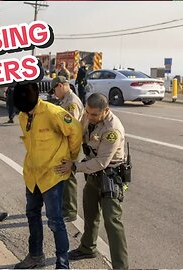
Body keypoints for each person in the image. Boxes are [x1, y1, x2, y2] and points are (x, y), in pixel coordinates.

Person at [54, 93, 129, 269]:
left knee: (112, 221)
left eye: (94, 114)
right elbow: (78, 133)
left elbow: (102, 162)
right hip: (93, 176)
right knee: (90, 214)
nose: (89, 116)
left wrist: (74, 166)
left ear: (106, 111)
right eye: (87, 112)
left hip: (110, 176)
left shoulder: (112, 129)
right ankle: (87, 248)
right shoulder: (88, 117)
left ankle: (121, 266)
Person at [12, 82, 82, 269]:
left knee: (55, 221)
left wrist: (71, 160)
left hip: (52, 175)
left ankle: (62, 265)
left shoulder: (53, 112)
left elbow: (75, 131)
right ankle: (35, 256)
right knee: (32, 215)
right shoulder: (22, 116)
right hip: (32, 175)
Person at [49, 76, 85, 222]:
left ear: (61, 86)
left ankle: (70, 211)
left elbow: (72, 128)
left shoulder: (71, 103)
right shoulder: (66, 100)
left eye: (54, 90)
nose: (54, 93)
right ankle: (65, 207)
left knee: (68, 176)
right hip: (66, 144)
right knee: (63, 176)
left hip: (71, 145)